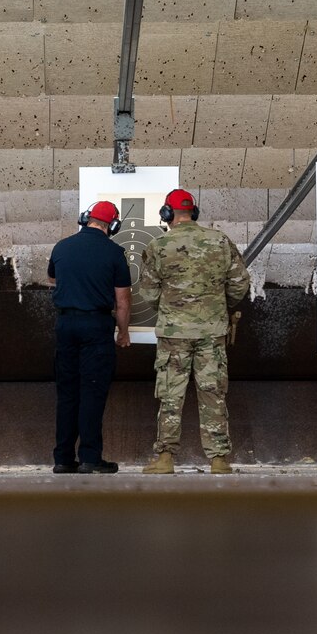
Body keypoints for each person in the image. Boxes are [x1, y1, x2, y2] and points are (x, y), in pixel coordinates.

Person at [131, 188, 250, 475]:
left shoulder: (159, 245)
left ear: (167, 214)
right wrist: (219, 306)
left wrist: (172, 307)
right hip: (212, 331)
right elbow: (239, 283)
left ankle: (166, 458)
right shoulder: (219, 240)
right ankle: (219, 459)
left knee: (171, 394)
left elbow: (148, 292)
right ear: (193, 212)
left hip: (174, 333)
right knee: (213, 393)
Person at [46, 200, 132, 474]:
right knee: (92, 392)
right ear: (113, 225)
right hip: (96, 326)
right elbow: (123, 302)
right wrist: (124, 332)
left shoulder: (62, 247)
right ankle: (89, 458)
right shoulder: (115, 253)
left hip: (66, 324)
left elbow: (52, 280)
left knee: (67, 393)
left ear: (86, 219)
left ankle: (62, 458)